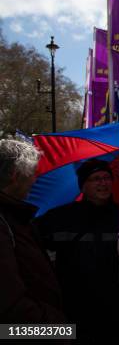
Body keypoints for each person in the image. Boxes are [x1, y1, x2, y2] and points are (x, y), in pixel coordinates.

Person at [35, 158, 119, 344]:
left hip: (115, 309)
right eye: (96, 178)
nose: (103, 183)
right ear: (83, 186)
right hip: (73, 309)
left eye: (107, 177)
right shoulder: (60, 217)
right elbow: (30, 240)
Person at [0, 139, 65, 324]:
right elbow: (10, 307)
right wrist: (58, 333)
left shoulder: (15, 217)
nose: (34, 180)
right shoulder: (5, 222)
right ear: (15, 175)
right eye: (32, 174)